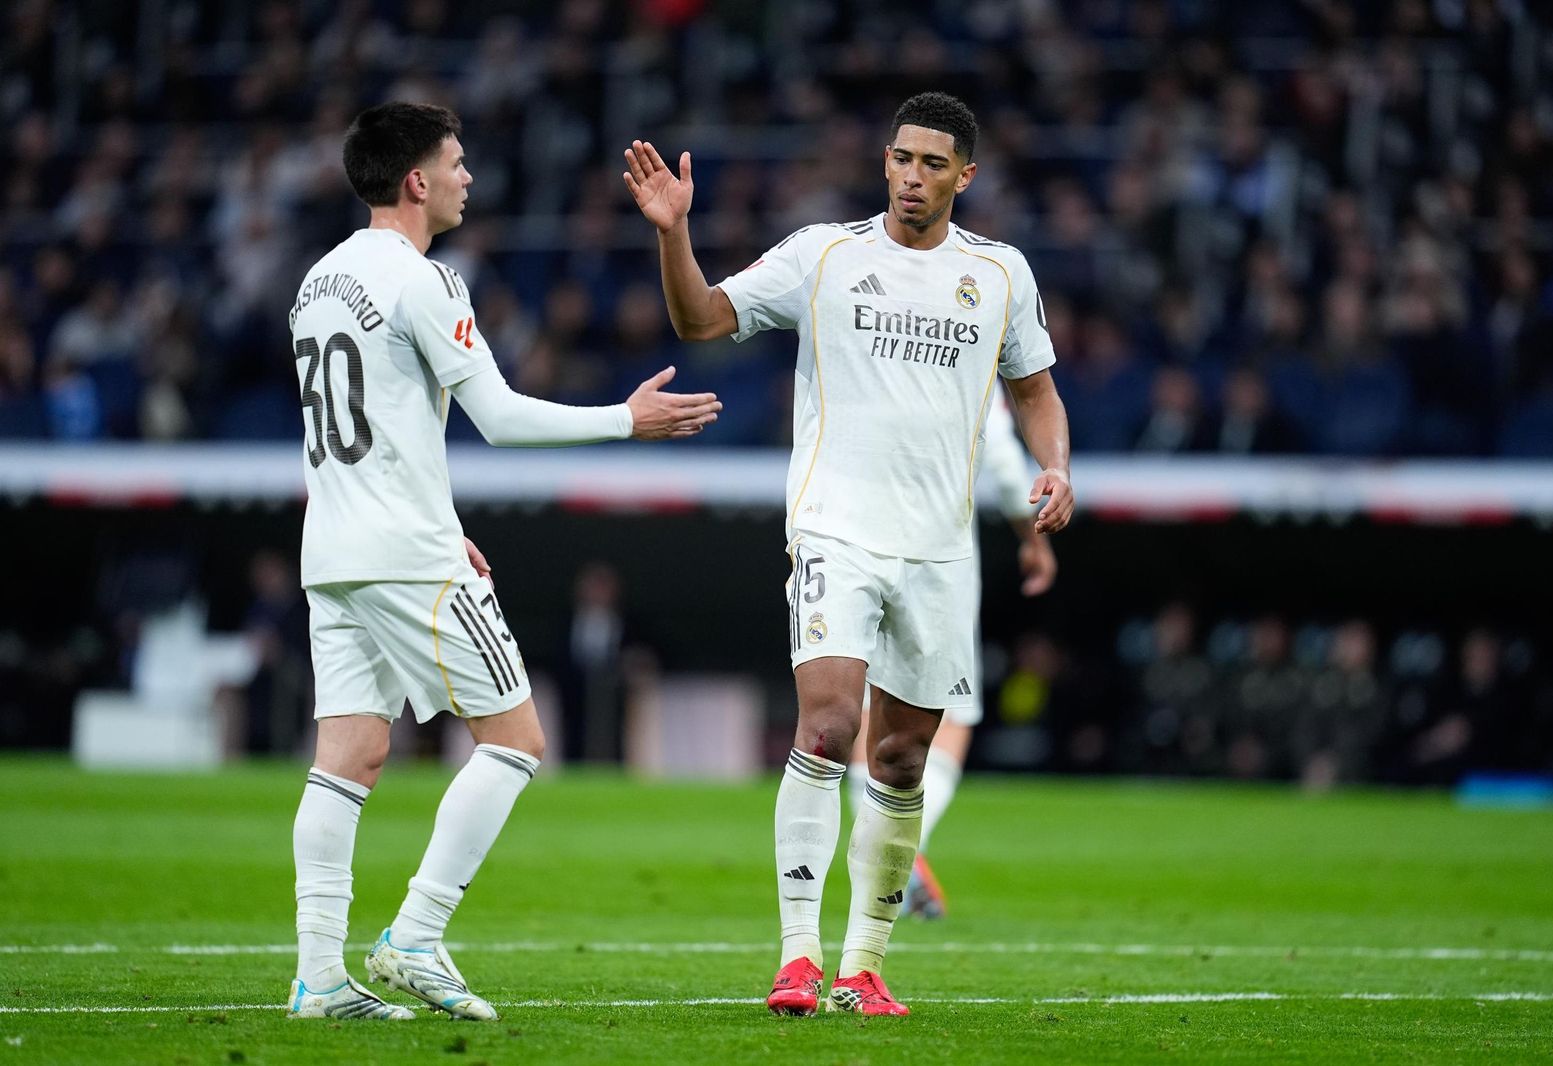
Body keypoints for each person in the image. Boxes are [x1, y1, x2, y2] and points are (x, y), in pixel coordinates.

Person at [624, 91, 1073, 1017]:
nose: (913, 176)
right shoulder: (824, 255)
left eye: (933, 164)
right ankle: (797, 957)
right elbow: (701, 319)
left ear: (965, 176)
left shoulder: (999, 275)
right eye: (901, 158)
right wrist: (674, 233)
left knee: (903, 760)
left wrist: (1056, 467)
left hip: (940, 551)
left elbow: (1034, 391)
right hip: (837, 526)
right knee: (828, 725)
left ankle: (864, 967)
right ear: (885, 161)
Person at [287, 102, 719, 1022]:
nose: (467, 176)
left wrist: (433, 509)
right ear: (416, 181)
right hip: (407, 552)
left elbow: (364, 435)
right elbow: (501, 417)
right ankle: (415, 936)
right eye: (456, 160)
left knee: (349, 758)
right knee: (517, 742)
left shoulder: (316, 283)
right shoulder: (426, 280)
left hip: (334, 548)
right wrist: (623, 420)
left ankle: (319, 980)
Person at [844, 396, 1057, 920]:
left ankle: (876, 842)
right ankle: (902, 852)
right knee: (949, 716)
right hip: (941, 561)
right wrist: (1031, 539)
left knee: (865, 707)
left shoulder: (870, 339)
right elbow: (1007, 468)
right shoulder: (967, 353)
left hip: (856, 546)